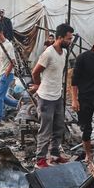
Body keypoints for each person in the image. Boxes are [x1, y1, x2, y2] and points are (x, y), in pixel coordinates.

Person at [31, 22, 73, 167]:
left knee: (58, 127)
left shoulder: (65, 53)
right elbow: (35, 72)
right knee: (45, 129)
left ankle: (54, 155)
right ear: (60, 38)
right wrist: (37, 86)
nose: (70, 41)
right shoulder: (48, 53)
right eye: (68, 39)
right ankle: (40, 160)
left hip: (57, 96)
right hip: (45, 98)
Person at [0, 25, 23, 122]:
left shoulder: (8, 45)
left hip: (6, 75)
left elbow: (12, 62)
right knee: (3, 98)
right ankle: (20, 104)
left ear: (1, 33)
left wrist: (5, 76)